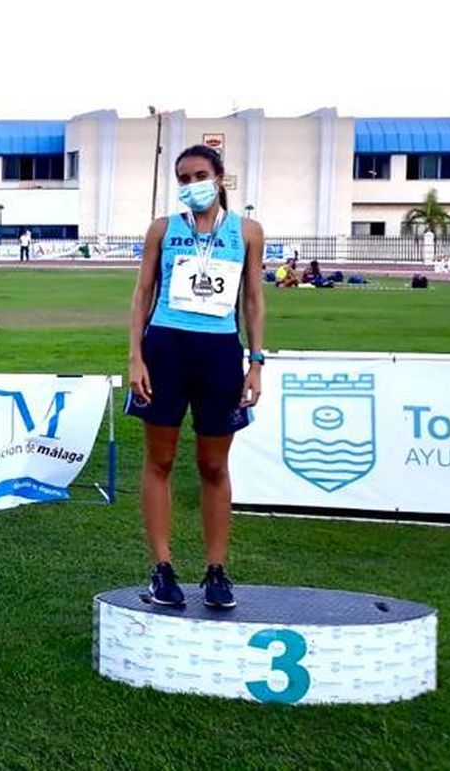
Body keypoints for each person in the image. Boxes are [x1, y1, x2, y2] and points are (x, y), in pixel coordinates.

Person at [126, 145, 265, 609]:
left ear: (220, 178)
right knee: (159, 461)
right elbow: (142, 293)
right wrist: (135, 357)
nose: (192, 185)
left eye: (200, 175)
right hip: (165, 349)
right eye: (183, 179)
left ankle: (216, 570)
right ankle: (162, 568)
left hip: (219, 353)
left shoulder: (247, 231)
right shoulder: (163, 229)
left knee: (213, 465)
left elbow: (253, 299)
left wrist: (256, 362)